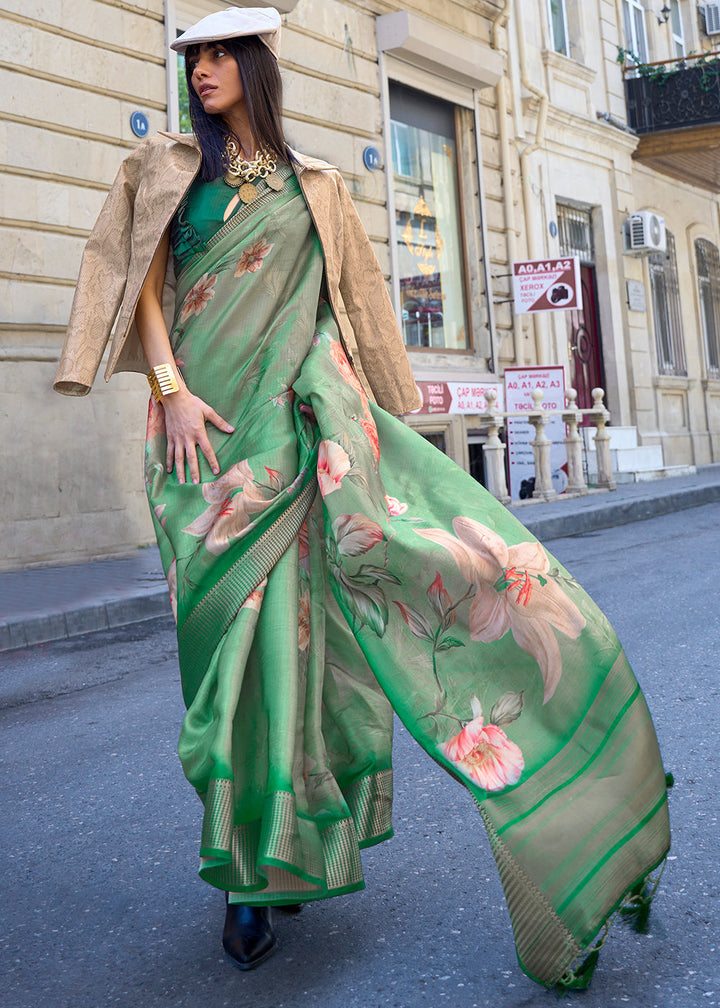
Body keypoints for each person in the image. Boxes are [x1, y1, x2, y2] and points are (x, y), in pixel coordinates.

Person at [55, 6, 671, 990]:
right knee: (222, 669)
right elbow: (140, 286)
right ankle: (269, 845)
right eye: (193, 55)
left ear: (256, 67)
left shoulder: (322, 187)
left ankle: (258, 876)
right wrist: (169, 390)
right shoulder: (168, 168)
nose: (203, 70)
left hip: (297, 442)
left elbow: (352, 306)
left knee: (294, 657)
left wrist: (367, 401)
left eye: (220, 55)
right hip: (201, 452)